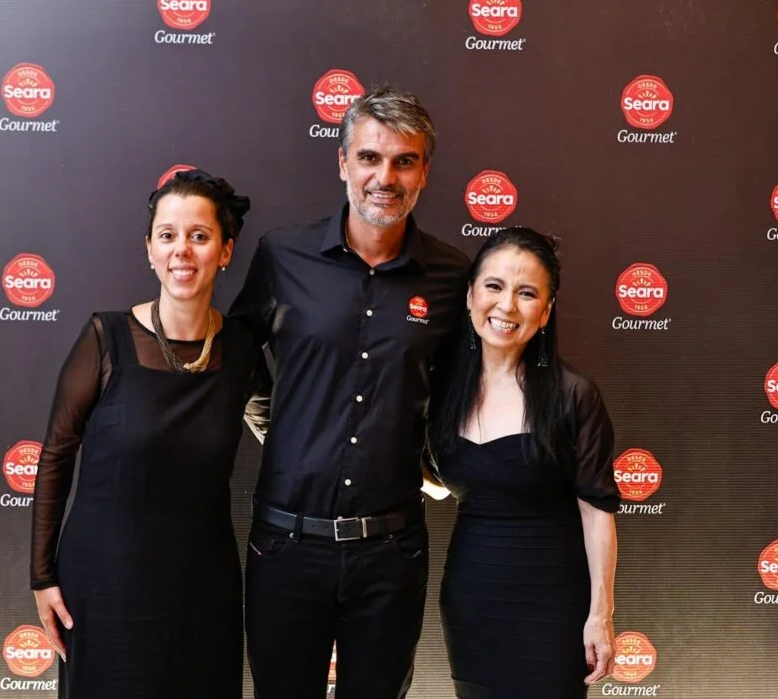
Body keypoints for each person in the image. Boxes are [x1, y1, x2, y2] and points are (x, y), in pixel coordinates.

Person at [229, 85, 470, 698]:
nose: (384, 177)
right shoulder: (282, 256)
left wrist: (437, 467)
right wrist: (280, 427)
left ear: (424, 172)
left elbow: (464, 391)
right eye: (369, 157)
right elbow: (235, 358)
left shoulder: (453, 277)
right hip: (285, 543)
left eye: (404, 161)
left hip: (392, 549)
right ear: (342, 162)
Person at [29, 170, 259, 698]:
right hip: (104, 586)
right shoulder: (105, 339)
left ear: (225, 251)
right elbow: (56, 455)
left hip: (204, 591)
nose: (182, 251)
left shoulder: (242, 350)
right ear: (150, 249)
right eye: (167, 235)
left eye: (199, 236)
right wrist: (42, 577)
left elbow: (282, 427)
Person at [427, 227, 620, 699]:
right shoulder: (441, 389)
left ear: (546, 311)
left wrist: (601, 614)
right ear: (470, 294)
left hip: (551, 603)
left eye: (527, 293)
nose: (507, 306)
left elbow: (596, 512)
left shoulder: (573, 395)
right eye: (494, 286)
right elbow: (438, 481)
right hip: (471, 598)